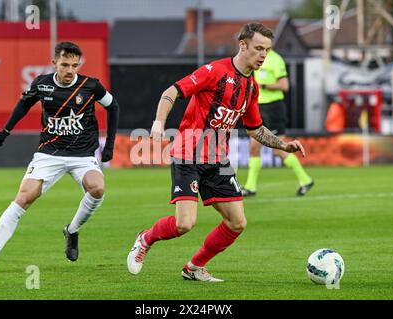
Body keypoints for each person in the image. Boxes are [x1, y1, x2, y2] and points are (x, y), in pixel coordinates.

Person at [126, 23, 306, 282]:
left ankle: (194, 267)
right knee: (184, 224)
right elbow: (171, 92)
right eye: (258, 48)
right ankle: (145, 238)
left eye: (267, 50)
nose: (263, 55)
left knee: (237, 222)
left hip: (217, 161)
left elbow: (255, 129)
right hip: (188, 154)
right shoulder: (215, 71)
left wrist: (284, 145)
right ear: (242, 45)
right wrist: (158, 123)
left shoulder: (252, 87)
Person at [0, 41, 119, 271]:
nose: (70, 70)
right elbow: (23, 105)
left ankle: (72, 230)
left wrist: (109, 145)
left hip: (82, 155)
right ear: (54, 63)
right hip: (49, 153)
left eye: (75, 65)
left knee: (98, 188)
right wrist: (5, 132)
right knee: (24, 197)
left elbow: (113, 106)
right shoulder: (42, 84)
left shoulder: (91, 86)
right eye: (65, 64)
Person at [241, 49, 314, 197]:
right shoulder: (254, 58)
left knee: (278, 149)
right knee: (254, 147)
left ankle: (305, 179)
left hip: (273, 108)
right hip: (258, 107)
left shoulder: (276, 59)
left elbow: (284, 85)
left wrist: (264, 86)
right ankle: (251, 187)